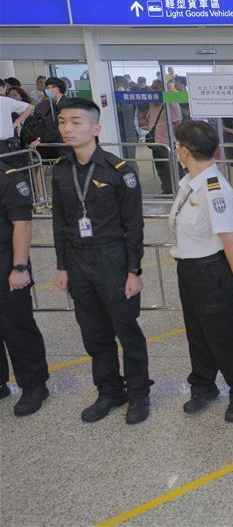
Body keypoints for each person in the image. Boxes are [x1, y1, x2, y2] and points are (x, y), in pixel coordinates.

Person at [51, 98, 151, 424]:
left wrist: (133, 270)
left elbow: (134, 225)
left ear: (96, 128)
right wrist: (62, 265)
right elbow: (60, 222)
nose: (68, 128)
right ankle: (109, 390)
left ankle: (138, 393)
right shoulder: (61, 171)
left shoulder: (120, 171)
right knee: (94, 333)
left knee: (127, 330)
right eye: (64, 121)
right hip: (78, 261)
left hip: (113, 258)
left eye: (76, 122)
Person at [170, 119, 233, 423]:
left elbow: (232, 242)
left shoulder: (214, 190)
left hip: (211, 272)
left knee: (223, 337)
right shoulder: (189, 185)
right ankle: (203, 387)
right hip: (189, 270)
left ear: (183, 151)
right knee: (197, 334)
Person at [0, 160, 49, 416]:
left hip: (6, 264)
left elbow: (23, 224)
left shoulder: (10, 180)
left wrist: (19, 268)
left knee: (16, 326)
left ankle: (34, 385)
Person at [147, 79, 181, 195]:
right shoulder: (152, 103)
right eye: (154, 88)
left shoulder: (171, 103)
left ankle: (179, 191)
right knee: (161, 168)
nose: (155, 91)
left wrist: (178, 141)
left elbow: (177, 124)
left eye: (158, 88)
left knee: (173, 168)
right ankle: (167, 191)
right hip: (155, 142)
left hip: (168, 143)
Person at [33, 77, 67, 161]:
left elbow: (57, 127)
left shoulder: (62, 105)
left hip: (63, 143)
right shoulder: (58, 103)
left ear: (56, 89)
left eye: (48, 88)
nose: (46, 90)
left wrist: (40, 139)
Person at [0, 79, 34, 159]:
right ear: (1, 88)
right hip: (7, 144)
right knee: (11, 169)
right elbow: (30, 107)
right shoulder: (6, 101)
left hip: (7, 143)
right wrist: (16, 123)